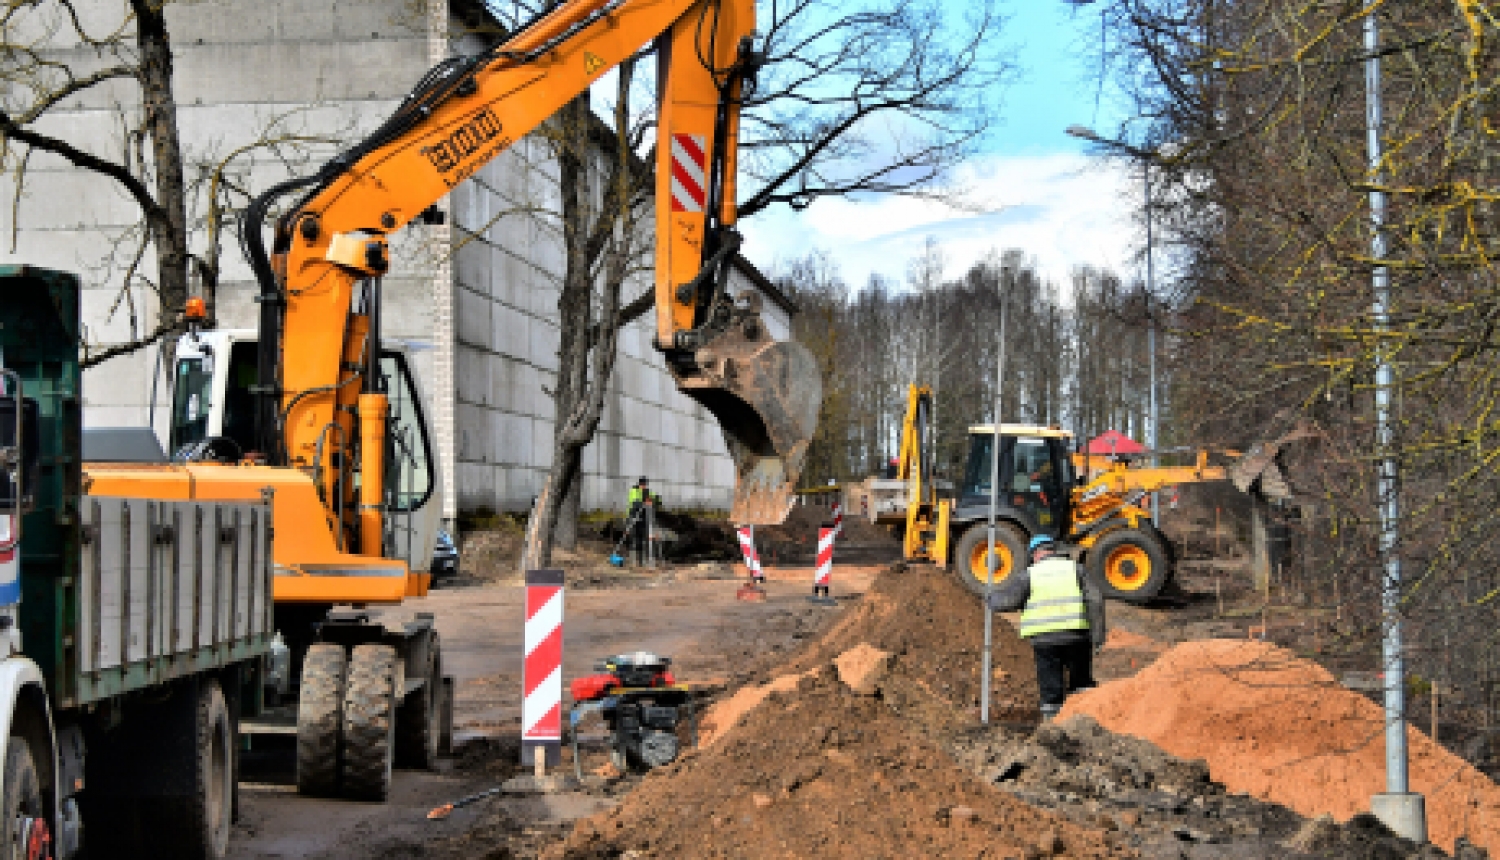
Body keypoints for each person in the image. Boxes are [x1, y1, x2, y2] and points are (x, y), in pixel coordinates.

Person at [987, 534, 1106, 722]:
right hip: (1076, 636)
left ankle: (1053, 723)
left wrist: (991, 598)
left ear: (1035, 554)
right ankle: (1088, 722)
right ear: (1054, 550)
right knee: (1081, 683)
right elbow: (1096, 600)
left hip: (1045, 641)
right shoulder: (1076, 569)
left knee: (1051, 686)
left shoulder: (1030, 574)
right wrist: (1097, 636)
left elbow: (1007, 601)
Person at [626, 477, 661, 566]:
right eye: (642, 485)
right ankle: (634, 558)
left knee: (643, 537)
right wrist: (644, 503)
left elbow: (657, 499)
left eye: (645, 485)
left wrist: (656, 500)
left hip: (644, 516)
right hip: (634, 516)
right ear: (639, 484)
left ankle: (643, 558)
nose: (644, 486)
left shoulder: (647, 492)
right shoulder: (634, 490)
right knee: (634, 536)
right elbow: (634, 503)